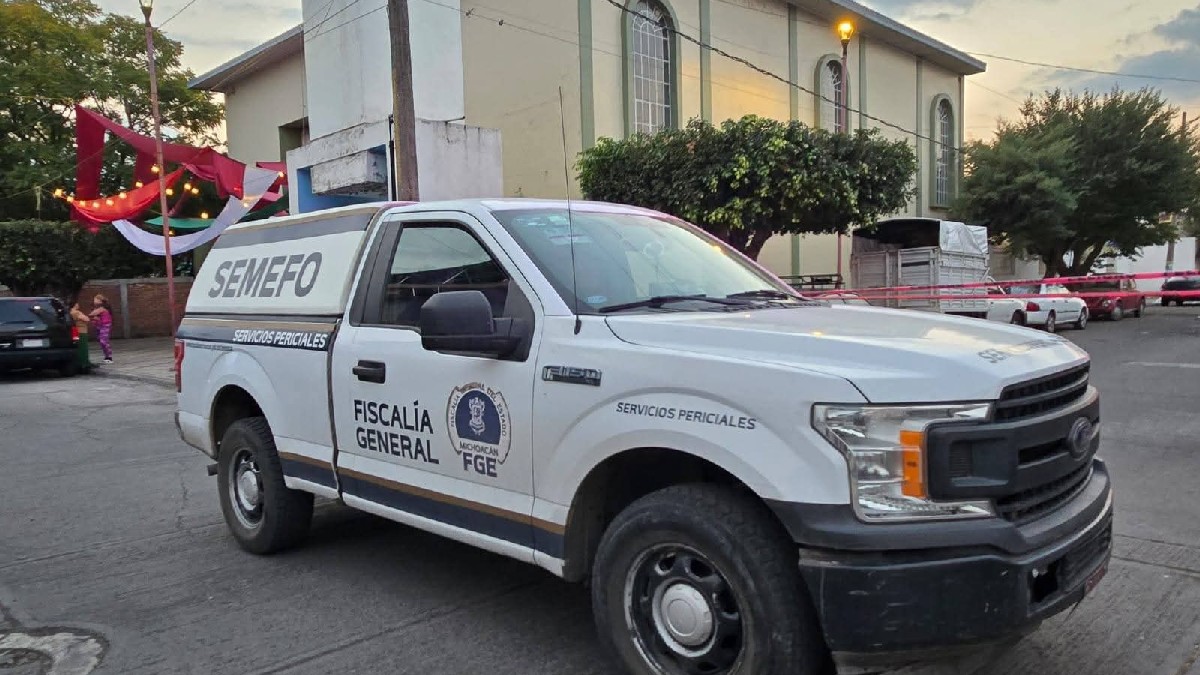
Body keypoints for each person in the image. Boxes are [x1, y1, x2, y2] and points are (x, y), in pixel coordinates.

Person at [70, 301, 94, 372]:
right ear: (75, 305)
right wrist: (86, 317)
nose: (78, 304)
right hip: (81, 331)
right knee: (83, 347)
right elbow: (86, 319)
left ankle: (78, 362)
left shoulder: (70, 312)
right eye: (77, 303)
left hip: (74, 331)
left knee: (77, 346)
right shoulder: (76, 312)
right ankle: (84, 363)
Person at [89, 294, 113, 363]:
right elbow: (93, 316)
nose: (94, 301)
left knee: (103, 341)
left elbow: (91, 314)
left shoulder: (101, 308)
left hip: (105, 326)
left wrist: (95, 317)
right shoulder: (98, 309)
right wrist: (95, 319)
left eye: (95, 300)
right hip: (99, 326)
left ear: (100, 301)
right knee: (102, 342)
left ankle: (109, 357)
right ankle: (106, 357)